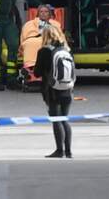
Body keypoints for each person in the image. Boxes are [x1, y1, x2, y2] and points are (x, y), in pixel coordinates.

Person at [34, 25, 74, 158]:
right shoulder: (66, 50)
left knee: (56, 119)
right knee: (65, 119)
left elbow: (37, 72)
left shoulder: (44, 51)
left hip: (52, 90)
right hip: (67, 88)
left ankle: (59, 150)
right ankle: (68, 151)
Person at [20, 5, 62, 80]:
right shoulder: (29, 24)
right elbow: (24, 36)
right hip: (32, 40)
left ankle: (39, 72)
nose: (43, 13)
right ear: (38, 13)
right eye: (41, 11)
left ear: (49, 14)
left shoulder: (55, 24)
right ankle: (30, 70)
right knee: (30, 43)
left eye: (46, 12)